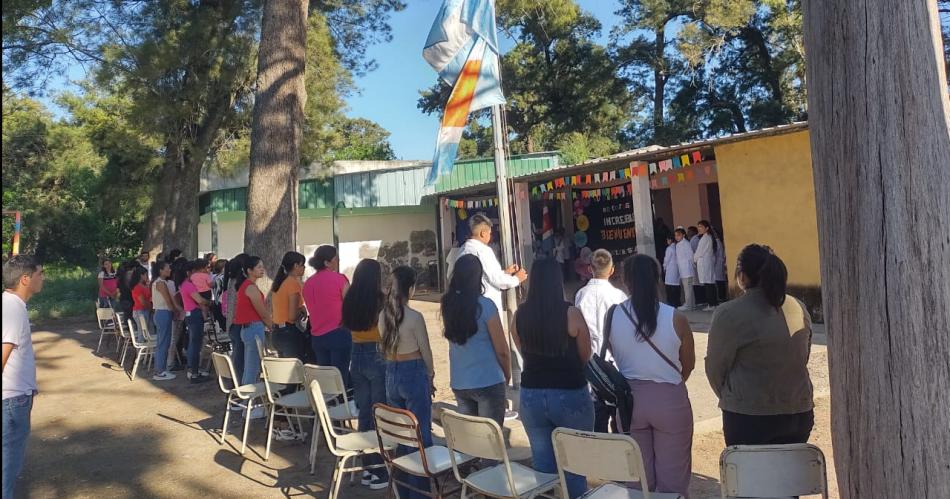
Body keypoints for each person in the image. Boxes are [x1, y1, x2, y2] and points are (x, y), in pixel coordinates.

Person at [706, 244, 814, 446]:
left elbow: (715, 368)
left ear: (743, 276)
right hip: (798, 411)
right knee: (790, 474)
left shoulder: (729, 313)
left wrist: (734, 398)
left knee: (749, 474)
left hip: (748, 416)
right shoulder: (798, 306)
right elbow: (802, 355)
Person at [609, 254, 695, 497]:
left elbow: (616, 355)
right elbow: (687, 365)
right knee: (674, 481)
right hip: (669, 400)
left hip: (628, 403)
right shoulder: (676, 318)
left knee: (637, 480)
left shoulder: (613, 315)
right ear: (657, 279)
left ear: (626, 281)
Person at [511, 259, 593, 499]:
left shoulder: (520, 315)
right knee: (575, 465)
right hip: (569, 392)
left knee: (542, 465)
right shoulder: (571, 313)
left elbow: (521, 348)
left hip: (531, 394)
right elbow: (584, 354)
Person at [380, 266, 434, 499]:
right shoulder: (414, 317)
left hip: (391, 370)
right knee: (420, 434)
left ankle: (403, 490)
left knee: (401, 433)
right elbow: (426, 351)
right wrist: (430, 376)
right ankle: (420, 493)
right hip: (413, 371)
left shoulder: (383, 315)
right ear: (410, 289)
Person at [457, 214, 526, 392]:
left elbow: (486, 274)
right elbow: (497, 280)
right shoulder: (483, 250)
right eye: (489, 233)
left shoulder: (463, 250)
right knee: (494, 347)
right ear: (482, 233)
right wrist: (516, 279)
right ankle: (500, 389)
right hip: (485, 307)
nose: (490, 237)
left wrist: (504, 272)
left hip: (465, 307)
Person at [442, 254, 511, 427]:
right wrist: (506, 376)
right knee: (491, 444)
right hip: (489, 380)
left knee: (472, 443)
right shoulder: (486, 306)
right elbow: (502, 350)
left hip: (460, 381)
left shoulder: (448, 304)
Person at [341, 259, 389, 490]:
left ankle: (369, 466)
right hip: (376, 355)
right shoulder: (380, 299)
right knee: (379, 412)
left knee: (364, 413)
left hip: (356, 355)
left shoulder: (350, 297)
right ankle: (379, 469)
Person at [2, 256, 44, 499]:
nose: (43, 278)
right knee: (7, 467)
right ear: (25, 279)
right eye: (40, 273)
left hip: (13, 398)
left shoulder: (10, 304)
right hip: (12, 400)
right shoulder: (13, 311)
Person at [574, 249, 628, 433]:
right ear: (612, 270)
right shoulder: (619, 296)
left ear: (590, 269)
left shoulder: (581, 294)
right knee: (618, 412)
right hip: (613, 361)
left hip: (589, 360)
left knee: (596, 415)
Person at [303, 246, 352, 385]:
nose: (338, 261)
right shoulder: (339, 279)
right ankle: (342, 405)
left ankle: (327, 404)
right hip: (338, 332)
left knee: (325, 378)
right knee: (340, 376)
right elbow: (349, 305)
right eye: (335, 258)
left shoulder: (308, 283)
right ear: (327, 262)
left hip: (317, 335)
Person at [234, 256, 274, 388]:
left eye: (262, 266)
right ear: (250, 270)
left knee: (250, 367)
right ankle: (248, 402)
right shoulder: (250, 287)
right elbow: (262, 313)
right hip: (254, 328)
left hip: (249, 328)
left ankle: (247, 400)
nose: (262, 269)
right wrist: (272, 326)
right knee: (253, 368)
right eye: (259, 267)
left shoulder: (247, 286)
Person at [270, 251, 306, 360]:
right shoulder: (292, 284)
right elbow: (292, 316)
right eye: (302, 265)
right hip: (288, 332)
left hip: (276, 332)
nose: (304, 268)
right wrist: (301, 312)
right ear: (295, 265)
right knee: (294, 371)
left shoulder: (280, 282)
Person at [180, 260, 211, 383]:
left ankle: (193, 369)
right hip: (194, 314)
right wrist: (209, 302)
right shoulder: (188, 285)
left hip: (191, 313)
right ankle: (194, 372)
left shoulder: (186, 284)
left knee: (194, 343)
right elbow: (200, 300)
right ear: (190, 272)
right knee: (195, 344)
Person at [151, 261, 179, 381]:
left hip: (161, 313)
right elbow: (168, 300)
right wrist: (175, 311)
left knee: (163, 342)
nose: (169, 270)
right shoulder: (161, 283)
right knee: (163, 343)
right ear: (160, 270)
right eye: (167, 268)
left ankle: (161, 369)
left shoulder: (158, 282)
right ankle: (160, 371)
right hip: (163, 312)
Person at [223, 254, 249, 382]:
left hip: (232, 324)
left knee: (237, 356)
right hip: (239, 324)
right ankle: (239, 385)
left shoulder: (231, 281)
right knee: (240, 359)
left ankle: (236, 383)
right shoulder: (240, 283)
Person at [694, 220, 719, 311]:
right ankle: (713, 303)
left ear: (707, 228)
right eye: (698, 226)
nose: (699, 228)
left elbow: (699, 251)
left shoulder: (705, 238)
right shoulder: (707, 237)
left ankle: (711, 304)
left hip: (705, 263)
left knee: (708, 284)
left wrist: (694, 259)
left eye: (701, 226)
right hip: (706, 263)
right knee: (710, 282)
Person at [674, 228, 696, 311]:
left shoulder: (685, 244)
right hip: (683, 270)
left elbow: (691, 255)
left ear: (683, 235)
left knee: (688, 288)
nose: (676, 237)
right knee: (689, 288)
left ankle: (688, 305)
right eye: (675, 235)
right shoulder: (678, 244)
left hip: (687, 269)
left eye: (678, 235)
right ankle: (692, 305)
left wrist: (690, 265)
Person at [130, 266, 153, 339]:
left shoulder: (145, 286)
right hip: (140, 311)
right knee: (142, 332)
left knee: (150, 330)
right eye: (146, 274)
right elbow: (143, 302)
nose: (147, 276)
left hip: (146, 310)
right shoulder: (137, 287)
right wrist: (150, 308)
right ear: (141, 275)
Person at [662, 237, 682, 307]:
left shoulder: (669, 248)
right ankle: (677, 302)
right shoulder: (677, 247)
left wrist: (664, 267)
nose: (667, 241)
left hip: (670, 268)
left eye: (668, 239)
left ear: (670, 240)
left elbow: (666, 259)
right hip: (677, 268)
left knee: (669, 286)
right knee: (676, 285)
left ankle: (671, 302)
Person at [714, 231, 727, 303]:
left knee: (719, 281)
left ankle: (721, 297)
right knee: (720, 280)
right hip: (719, 263)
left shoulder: (717, 242)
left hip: (718, 264)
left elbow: (715, 255)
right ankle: (722, 297)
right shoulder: (718, 242)